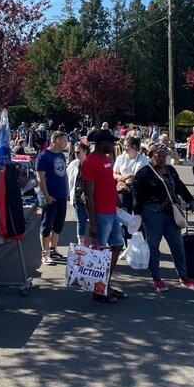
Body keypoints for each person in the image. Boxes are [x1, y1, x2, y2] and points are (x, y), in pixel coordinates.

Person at [133, 143, 194, 292]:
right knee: (153, 248)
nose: (162, 159)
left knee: (178, 246)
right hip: (152, 214)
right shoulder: (143, 173)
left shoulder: (170, 170)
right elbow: (137, 197)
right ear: (150, 156)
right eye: (158, 156)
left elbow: (180, 187)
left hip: (171, 214)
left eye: (164, 156)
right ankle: (156, 279)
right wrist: (137, 218)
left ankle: (183, 277)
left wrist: (191, 201)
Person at [82, 129, 126, 303]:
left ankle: (105, 283)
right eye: (111, 142)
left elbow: (108, 183)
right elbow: (88, 195)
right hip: (100, 214)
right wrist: (92, 222)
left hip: (111, 211)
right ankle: (98, 290)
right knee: (99, 254)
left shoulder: (106, 159)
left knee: (117, 245)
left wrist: (116, 201)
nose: (114, 145)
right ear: (102, 143)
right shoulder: (90, 162)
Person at [36, 130, 68, 265]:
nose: (66, 143)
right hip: (49, 196)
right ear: (55, 140)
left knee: (58, 225)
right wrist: (46, 195)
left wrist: (66, 191)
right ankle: (45, 253)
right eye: (64, 141)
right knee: (46, 225)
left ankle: (53, 250)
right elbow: (40, 177)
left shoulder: (61, 155)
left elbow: (64, 174)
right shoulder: (43, 156)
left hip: (61, 195)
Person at [113, 136, 147, 246]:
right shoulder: (121, 158)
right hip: (123, 189)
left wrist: (133, 178)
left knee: (139, 217)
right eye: (124, 146)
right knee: (125, 218)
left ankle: (143, 244)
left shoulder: (143, 159)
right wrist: (123, 178)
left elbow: (144, 175)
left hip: (138, 191)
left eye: (127, 146)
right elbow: (114, 174)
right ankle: (128, 245)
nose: (124, 148)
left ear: (134, 147)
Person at [67, 141, 89, 244]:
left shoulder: (91, 163)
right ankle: (81, 244)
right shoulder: (73, 164)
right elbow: (68, 178)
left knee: (94, 220)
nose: (76, 154)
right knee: (81, 220)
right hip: (77, 197)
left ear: (85, 151)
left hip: (90, 197)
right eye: (74, 152)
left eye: (78, 152)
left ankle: (96, 244)